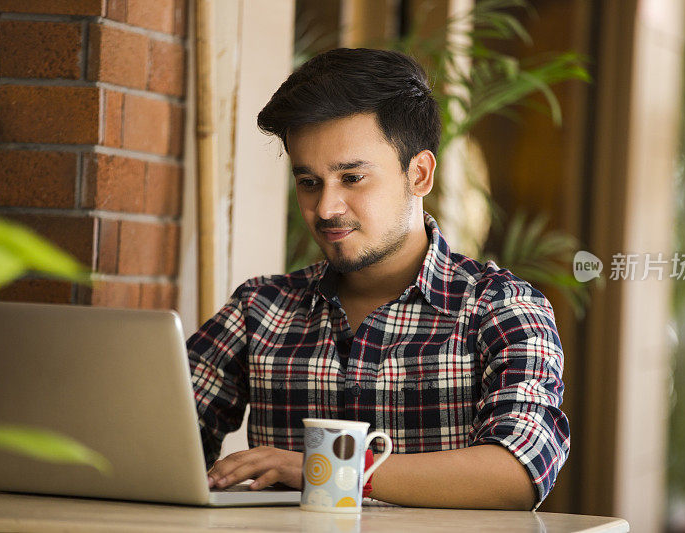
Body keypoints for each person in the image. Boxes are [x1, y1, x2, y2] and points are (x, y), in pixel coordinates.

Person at [187, 48, 569, 511]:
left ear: (420, 174)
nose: (326, 208)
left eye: (352, 178)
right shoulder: (259, 309)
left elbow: (518, 473)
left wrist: (321, 469)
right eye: (308, 182)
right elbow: (163, 441)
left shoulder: (501, 308)